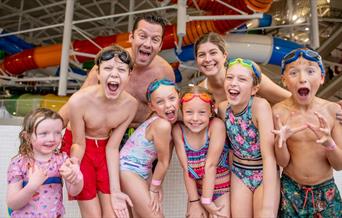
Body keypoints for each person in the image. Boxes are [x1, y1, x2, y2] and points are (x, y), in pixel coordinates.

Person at [61, 45, 138, 218]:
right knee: (93, 215)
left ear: (129, 75)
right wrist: (74, 165)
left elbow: (112, 147)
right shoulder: (79, 101)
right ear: (97, 72)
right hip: (78, 147)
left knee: (113, 213)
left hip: (105, 149)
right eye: (108, 68)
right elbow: (78, 143)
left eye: (121, 69)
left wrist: (116, 191)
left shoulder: (130, 105)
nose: (114, 74)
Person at [59, 14, 175, 128]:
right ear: (131, 37)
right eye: (142, 36)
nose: (147, 44)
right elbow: (78, 101)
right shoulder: (109, 63)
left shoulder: (164, 72)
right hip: (106, 130)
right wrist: (53, 128)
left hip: (141, 137)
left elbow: (170, 115)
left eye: (155, 40)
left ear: (160, 46)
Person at [272, 48, 342, 217]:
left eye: (310, 71)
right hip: (290, 190)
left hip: (326, 192)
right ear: (284, 80)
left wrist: (329, 144)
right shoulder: (279, 112)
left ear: (322, 77)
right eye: (294, 73)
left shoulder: (332, 111)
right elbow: (282, 162)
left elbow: (339, 165)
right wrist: (280, 142)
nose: (303, 78)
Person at [218, 58, 279, 217]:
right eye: (229, 77)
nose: (233, 83)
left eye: (242, 79)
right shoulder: (223, 109)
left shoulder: (260, 107)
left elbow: (269, 158)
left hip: (264, 173)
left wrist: (267, 207)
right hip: (239, 173)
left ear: (254, 89)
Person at [6, 108, 83, 218]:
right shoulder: (19, 164)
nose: (52, 138)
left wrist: (77, 178)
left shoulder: (61, 160)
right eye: (44, 133)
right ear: (27, 137)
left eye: (57, 132)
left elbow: (74, 191)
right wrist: (31, 187)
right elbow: (12, 204)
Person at [119, 79, 179, 218]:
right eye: (160, 102)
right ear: (151, 106)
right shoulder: (162, 125)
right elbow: (163, 162)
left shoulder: (160, 118)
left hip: (141, 170)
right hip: (128, 169)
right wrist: (154, 188)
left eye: (172, 98)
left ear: (179, 97)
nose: (168, 105)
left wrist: (155, 183)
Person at [173, 85, 230, 218]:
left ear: (211, 112)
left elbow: (211, 165)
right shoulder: (178, 131)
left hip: (222, 190)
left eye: (201, 112)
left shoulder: (216, 126)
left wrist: (206, 200)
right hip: (197, 193)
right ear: (182, 111)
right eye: (189, 112)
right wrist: (194, 202)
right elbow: (186, 168)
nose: (195, 118)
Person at [194, 32, 291, 106]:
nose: (207, 59)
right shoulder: (199, 92)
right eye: (201, 55)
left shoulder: (248, 76)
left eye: (213, 53)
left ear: (224, 56)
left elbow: (290, 101)